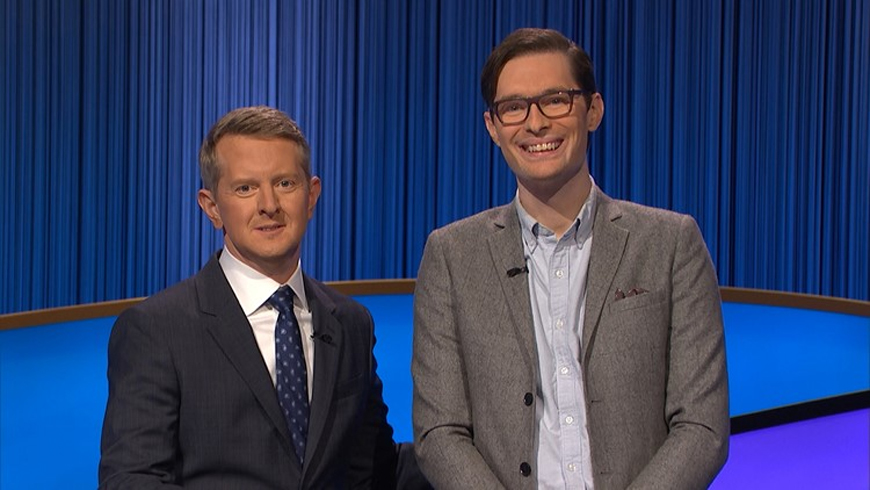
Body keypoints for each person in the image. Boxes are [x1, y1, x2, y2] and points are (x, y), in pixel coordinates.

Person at [412, 28, 729, 489]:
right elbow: (440, 433)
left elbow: (702, 428)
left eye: (555, 100)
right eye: (514, 107)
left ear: (593, 110)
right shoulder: (451, 256)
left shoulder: (670, 244)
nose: (535, 123)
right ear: (492, 126)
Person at [99, 106, 399, 488]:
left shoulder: (351, 323)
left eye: (285, 183)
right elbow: (133, 480)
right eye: (245, 188)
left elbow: (373, 470)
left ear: (312, 195)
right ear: (212, 208)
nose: (269, 205)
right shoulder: (157, 330)